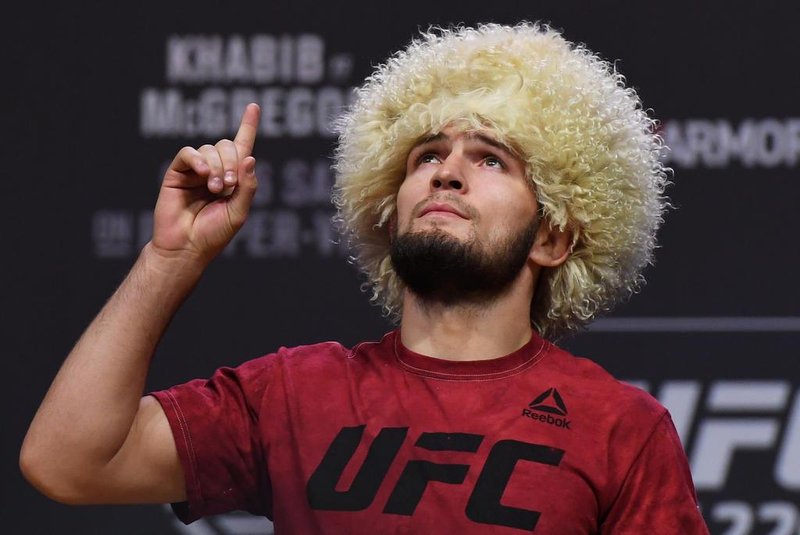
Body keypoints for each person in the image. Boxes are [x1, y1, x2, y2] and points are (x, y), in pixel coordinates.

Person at [20, 22, 710, 534]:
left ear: (555, 236)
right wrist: (171, 259)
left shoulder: (621, 429)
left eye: (492, 159)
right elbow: (70, 460)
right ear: (388, 200)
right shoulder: (296, 392)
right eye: (426, 154)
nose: (446, 169)